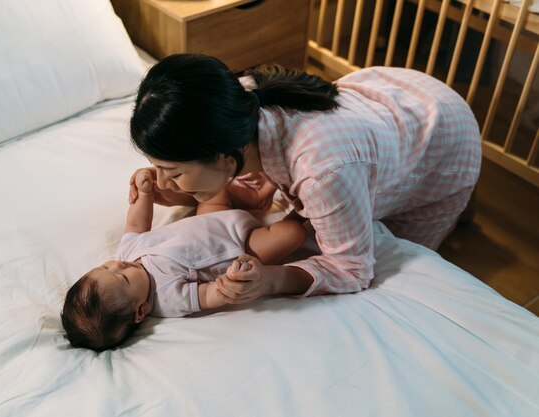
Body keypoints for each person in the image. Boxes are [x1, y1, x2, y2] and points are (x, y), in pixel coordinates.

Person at [128, 53, 482, 301]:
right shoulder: (236, 99)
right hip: (397, 91)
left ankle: (464, 206)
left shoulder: (324, 171)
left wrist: (271, 281)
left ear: (223, 157)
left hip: (443, 140)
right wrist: (182, 190)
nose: (160, 182)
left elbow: (353, 269)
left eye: (172, 171)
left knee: (408, 251)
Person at [61, 169, 306, 351]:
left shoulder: (126, 254)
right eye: (122, 277)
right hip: (243, 244)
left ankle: (258, 196)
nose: (118, 264)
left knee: (212, 184)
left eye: (105, 266)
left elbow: (136, 224)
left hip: (211, 216)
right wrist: (226, 287)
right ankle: (303, 209)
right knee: (291, 235)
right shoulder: (166, 298)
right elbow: (206, 296)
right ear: (141, 310)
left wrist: (145, 194)